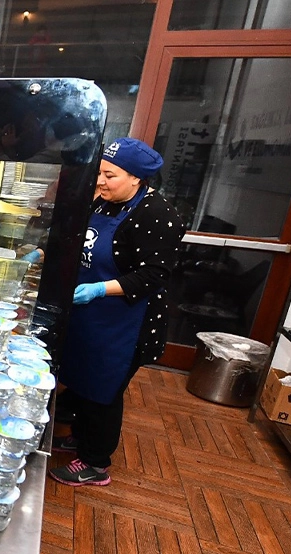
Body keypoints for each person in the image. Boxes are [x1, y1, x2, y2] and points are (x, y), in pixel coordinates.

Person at [51, 138, 183, 487]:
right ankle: (81, 437)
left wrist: (98, 289)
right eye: (99, 173)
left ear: (137, 179)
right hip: (93, 317)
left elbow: (154, 274)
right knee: (81, 378)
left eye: (110, 175)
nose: (100, 181)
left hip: (126, 323)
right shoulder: (105, 201)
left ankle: (95, 462)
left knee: (103, 392)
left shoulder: (157, 214)